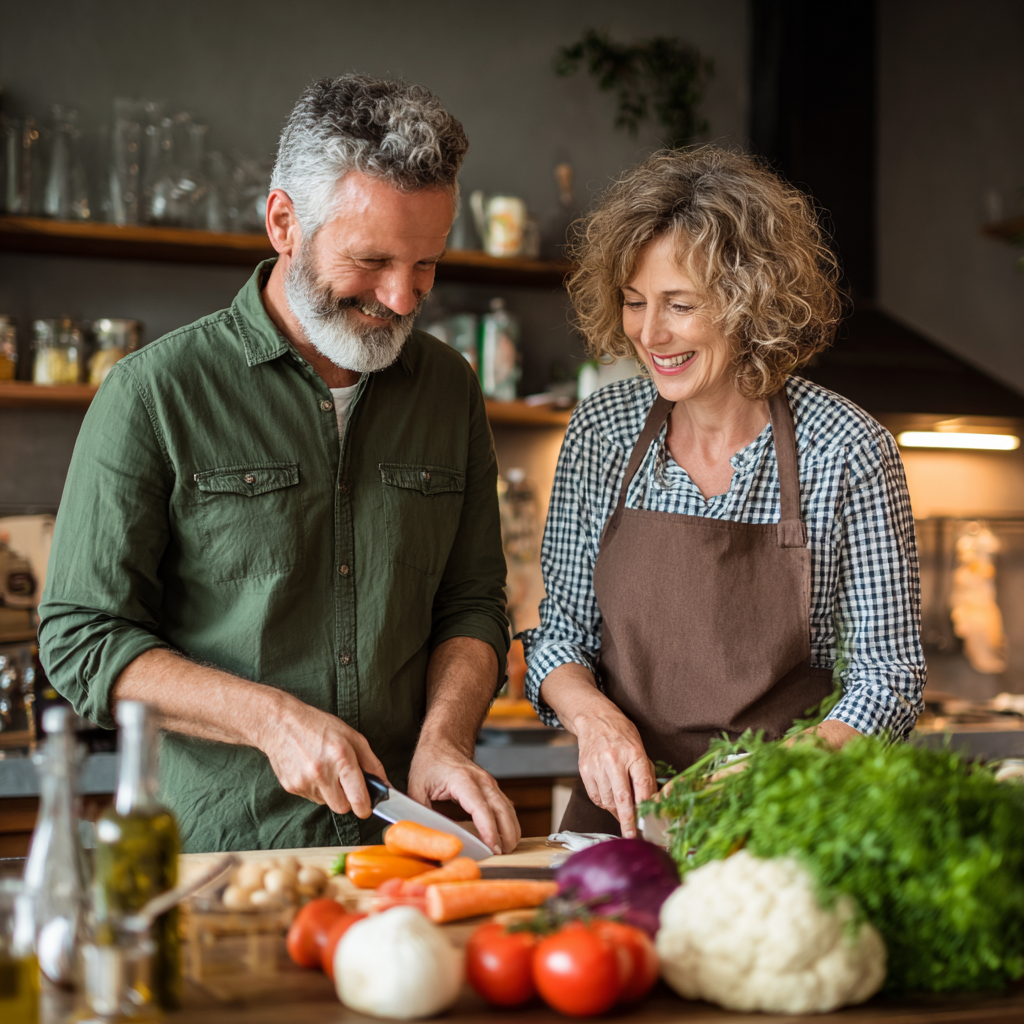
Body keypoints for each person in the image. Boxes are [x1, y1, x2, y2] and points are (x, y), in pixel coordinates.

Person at [38, 75, 520, 855]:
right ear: (284, 223)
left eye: (426, 265)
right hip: (225, 853)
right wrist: (271, 721)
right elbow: (82, 636)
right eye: (372, 261)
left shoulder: (448, 388)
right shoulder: (154, 393)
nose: (401, 298)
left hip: (405, 853)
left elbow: (471, 604)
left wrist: (446, 739)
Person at [522, 147, 926, 838]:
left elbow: (888, 677)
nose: (650, 335)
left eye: (680, 305)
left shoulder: (849, 450)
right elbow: (560, 636)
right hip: (622, 820)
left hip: (787, 816)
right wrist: (595, 720)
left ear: (751, 303)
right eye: (634, 301)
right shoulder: (602, 431)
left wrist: (776, 772)